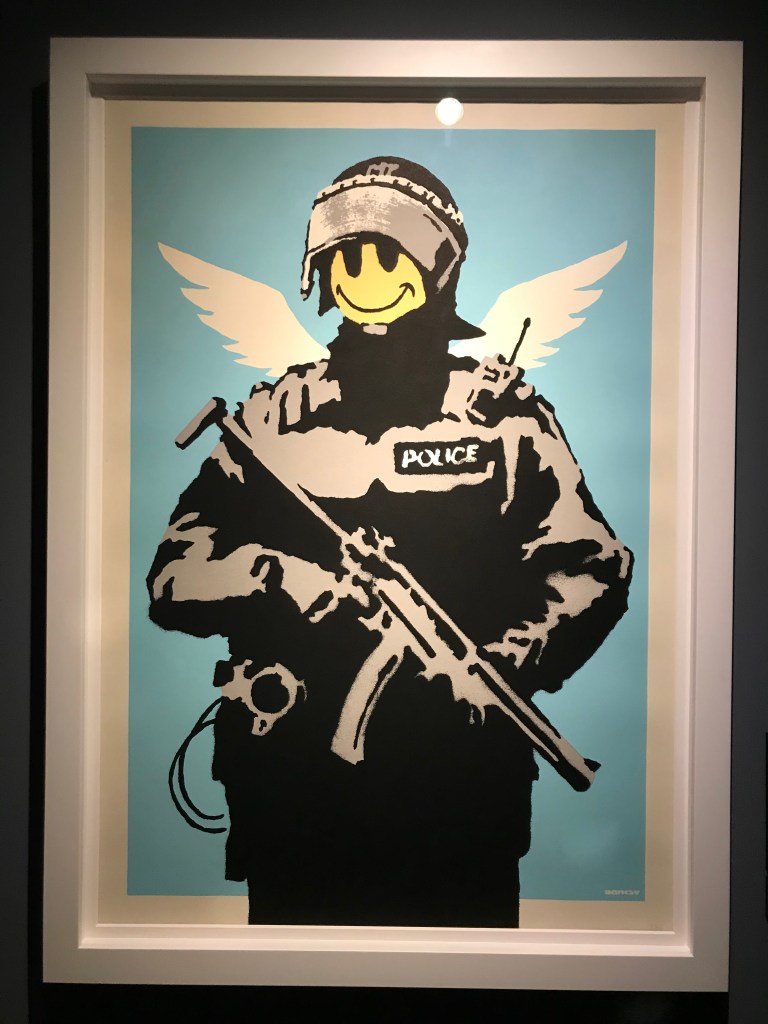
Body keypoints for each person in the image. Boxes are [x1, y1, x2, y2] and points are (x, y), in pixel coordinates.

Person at [147, 156, 633, 928]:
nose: (364, 279)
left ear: (435, 268)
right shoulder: (274, 418)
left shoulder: (503, 420)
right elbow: (174, 577)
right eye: (345, 261)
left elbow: (590, 568)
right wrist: (275, 576)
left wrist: (504, 660)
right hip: (292, 788)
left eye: (386, 258)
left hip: (459, 794)